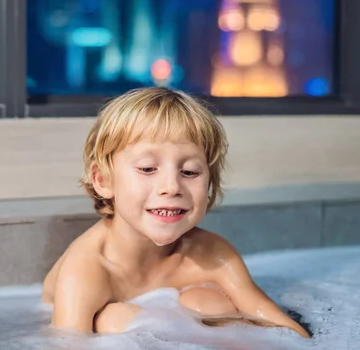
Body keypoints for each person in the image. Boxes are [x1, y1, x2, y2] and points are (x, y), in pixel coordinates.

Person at [42, 87, 310, 338]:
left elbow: (286, 330)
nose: (171, 187)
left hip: (178, 320)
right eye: (148, 168)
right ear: (103, 181)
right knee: (113, 320)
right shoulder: (86, 271)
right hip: (110, 320)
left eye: (190, 172)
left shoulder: (213, 255)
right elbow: (66, 343)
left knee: (207, 302)